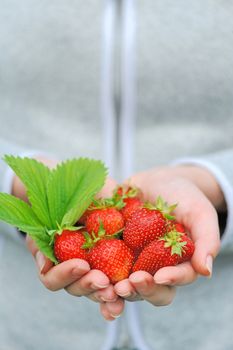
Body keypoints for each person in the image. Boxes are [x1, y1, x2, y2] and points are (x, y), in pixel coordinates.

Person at [5, 145, 231, 321]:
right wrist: (17, 181)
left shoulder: (136, 222)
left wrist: (215, 182)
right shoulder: (107, 224)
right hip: (31, 321)